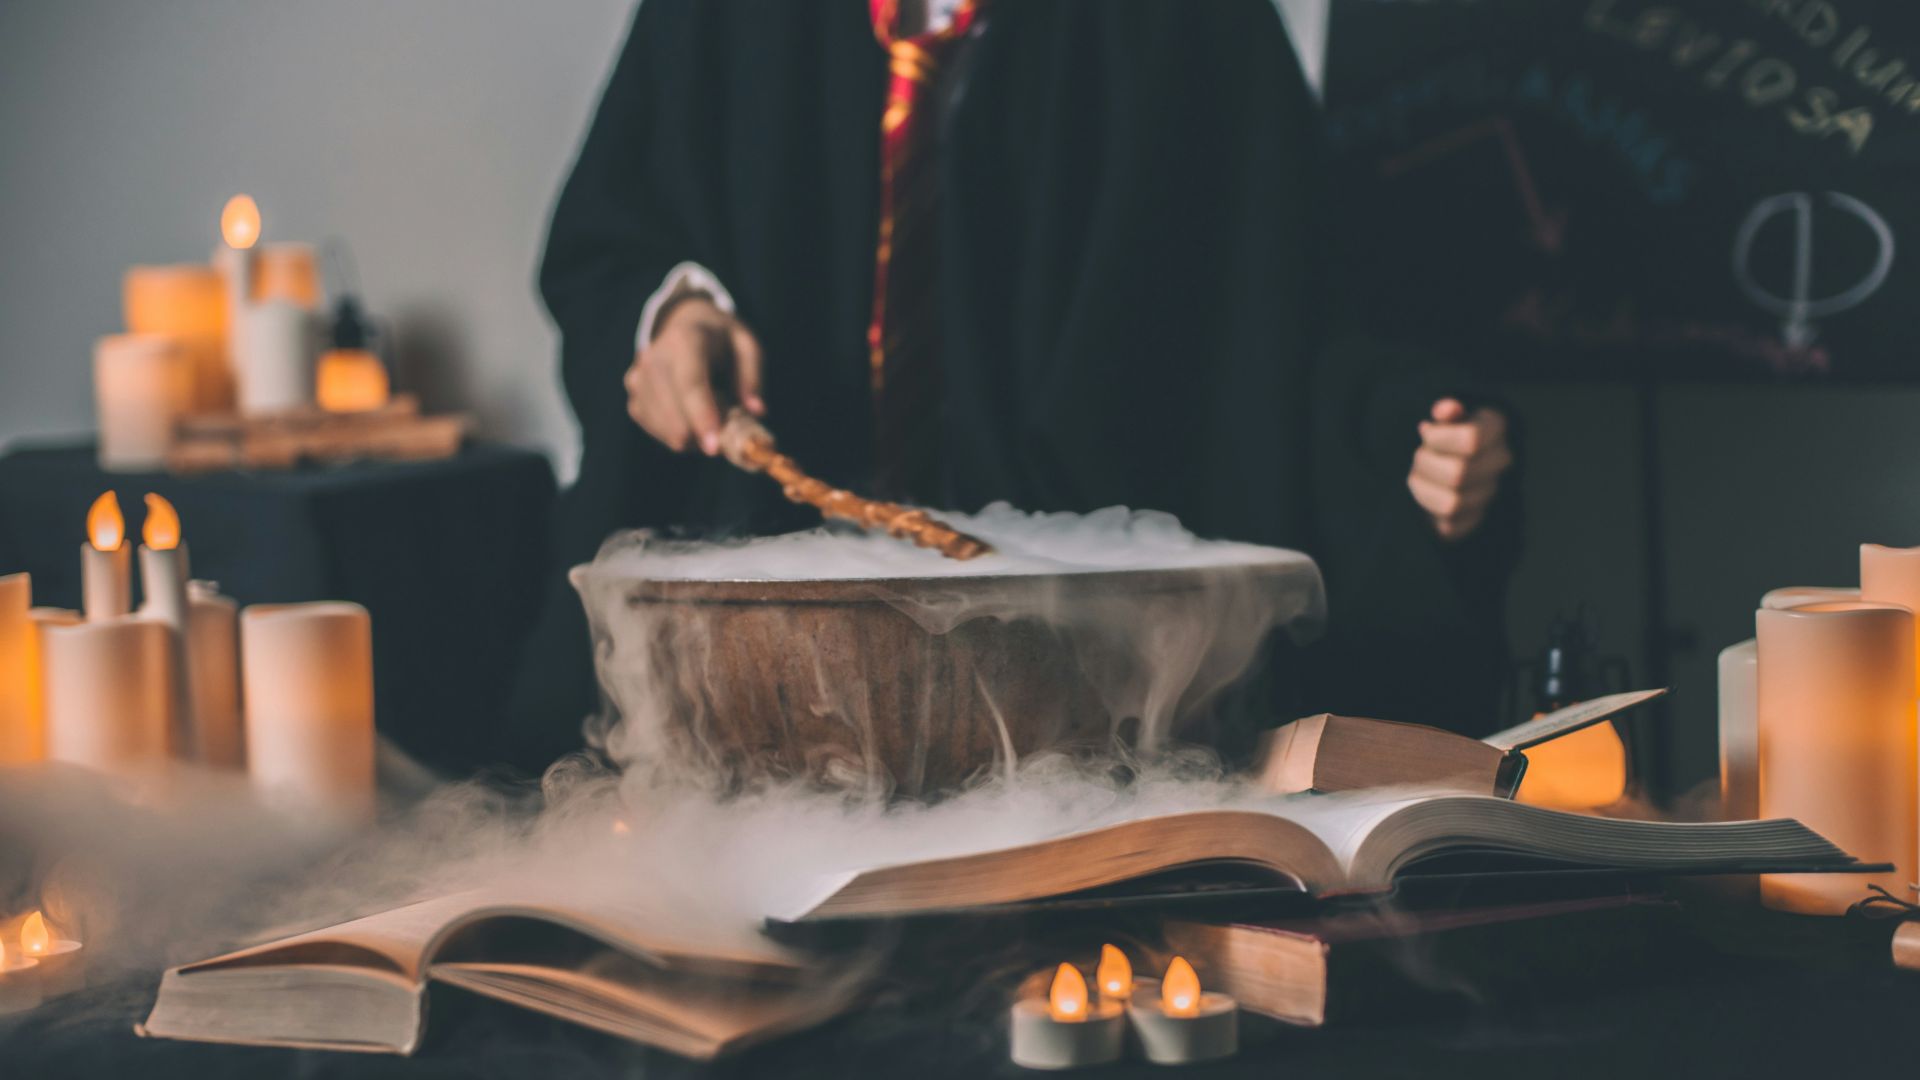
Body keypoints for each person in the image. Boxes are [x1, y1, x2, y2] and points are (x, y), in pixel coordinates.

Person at [510, 0, 1519, 770]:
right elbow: (609, 245)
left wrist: (1406, 435)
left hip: (1087, 679)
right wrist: (669, 317)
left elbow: (1295, 311)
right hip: (764, 676)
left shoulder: (1192, 23)